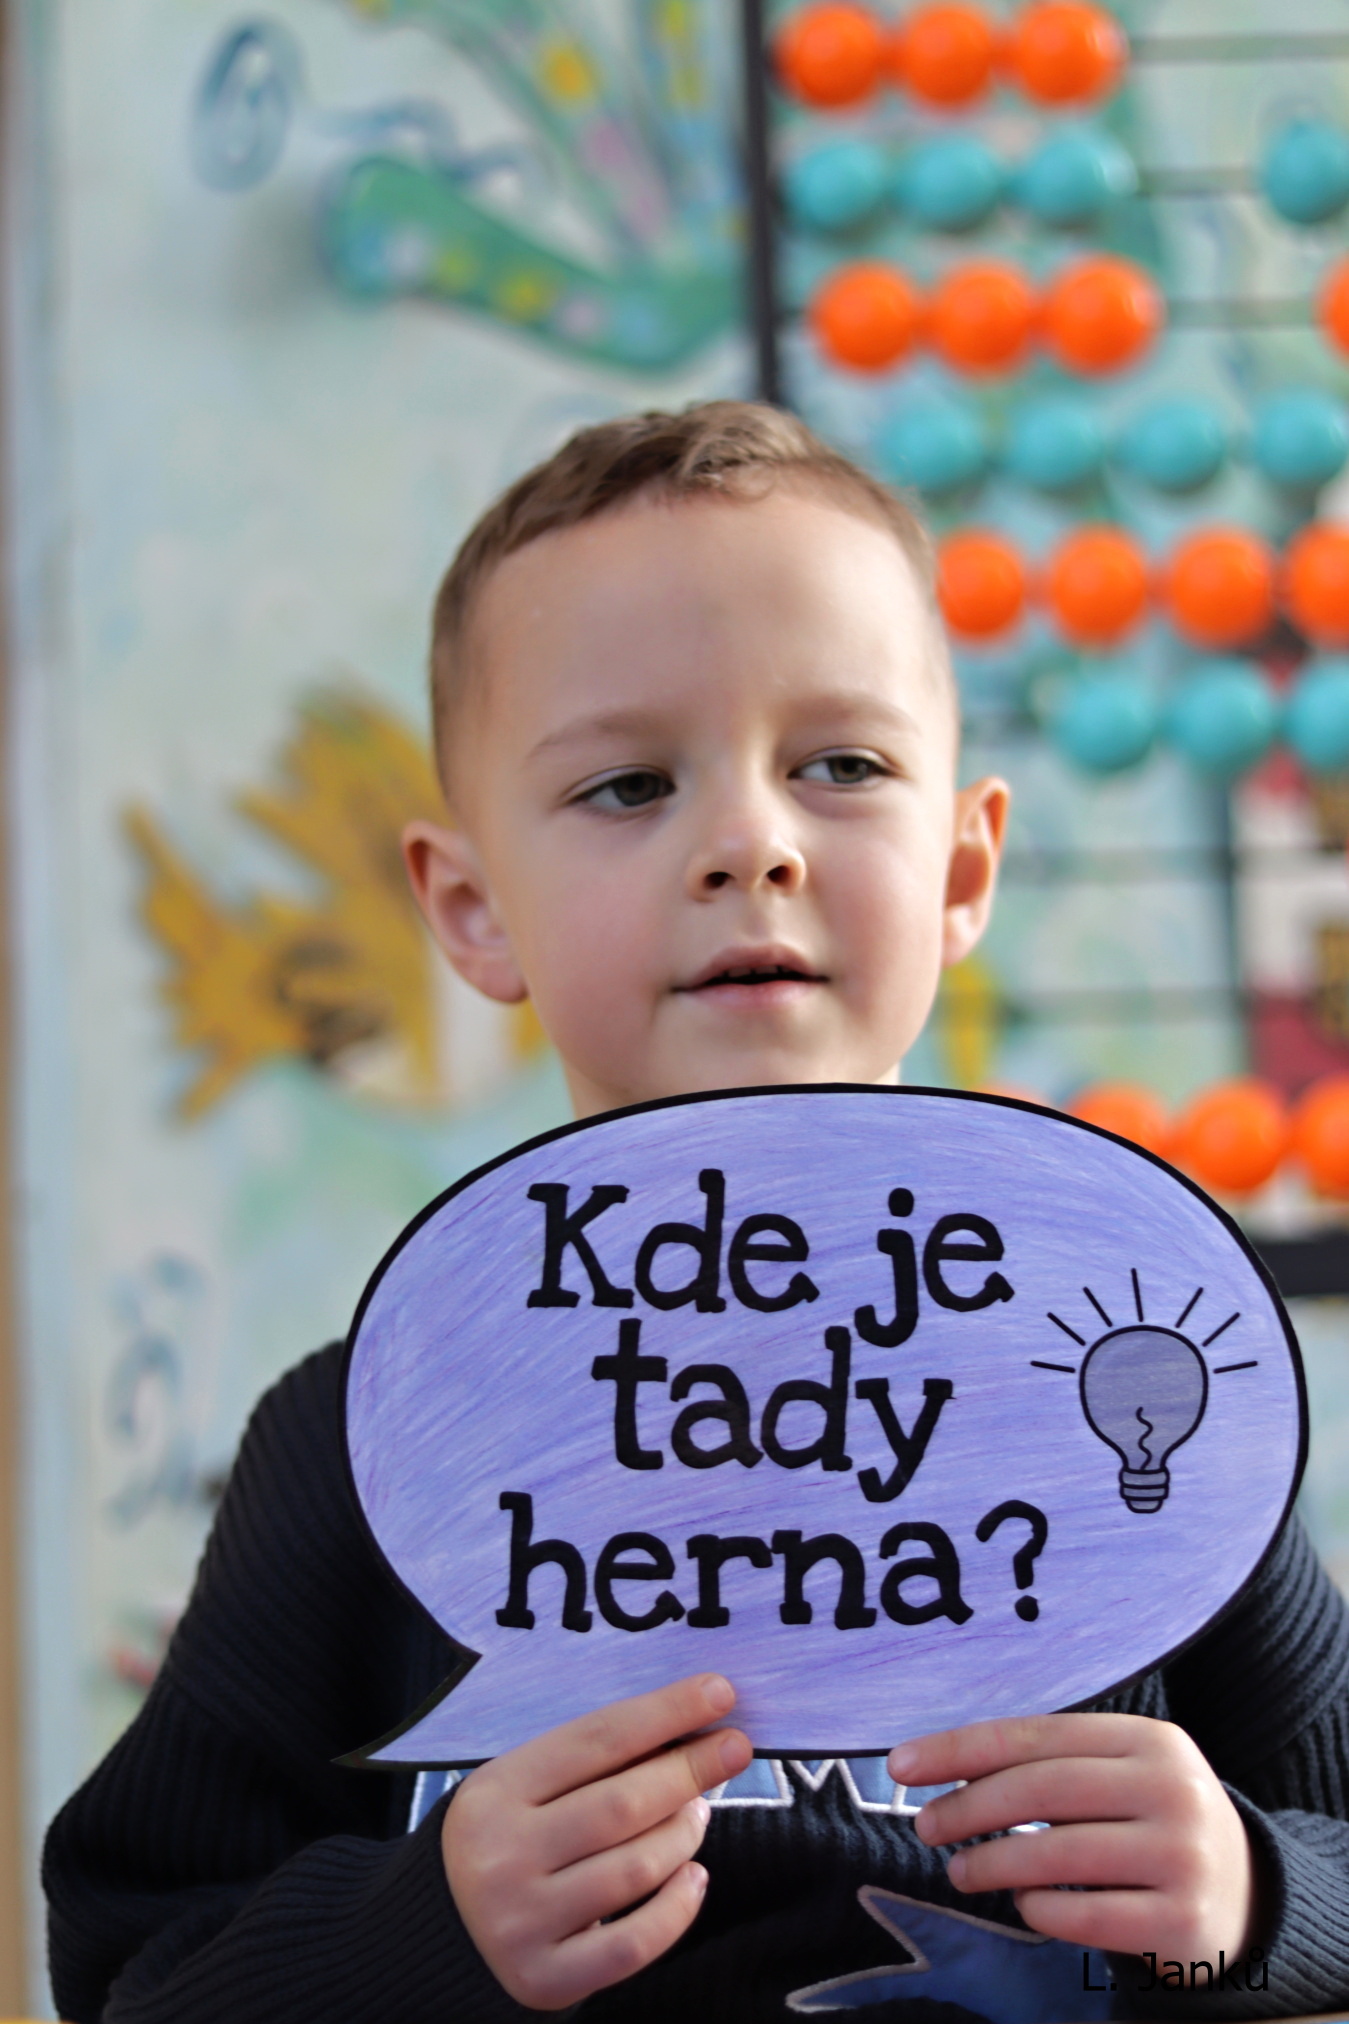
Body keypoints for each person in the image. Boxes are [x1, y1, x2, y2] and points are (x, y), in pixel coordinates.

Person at [44, 403, 1349, 2023]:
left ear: (960, 872)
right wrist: (421, 1925)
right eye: (627, 784)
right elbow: (136, 1968)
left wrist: (1247, 1895)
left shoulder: (1141, 1390)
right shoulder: (365, 1435)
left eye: (840, 767)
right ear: (472, 907)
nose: (748, 845)